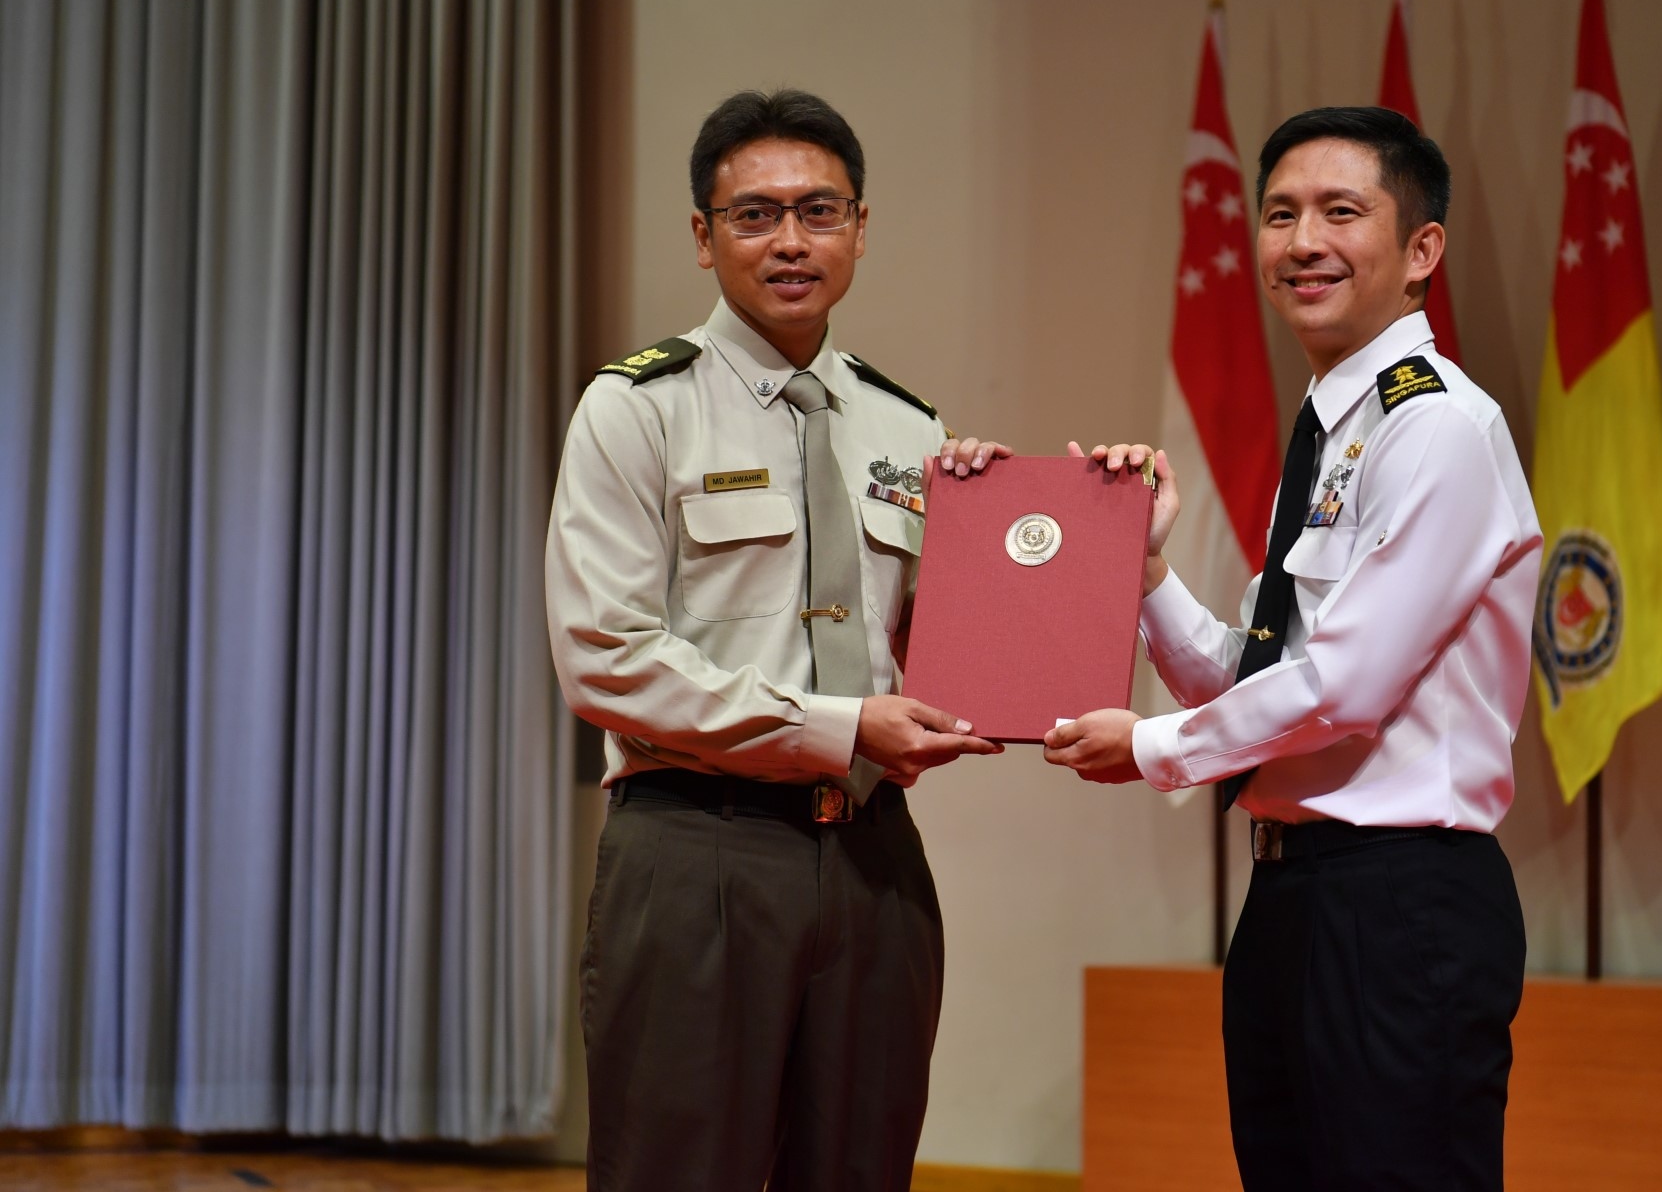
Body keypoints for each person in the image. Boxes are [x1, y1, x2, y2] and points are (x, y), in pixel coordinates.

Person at [1045, 106, 1543, 1190]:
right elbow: (1266, 677)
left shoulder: (1436, 426)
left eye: (1339, 212)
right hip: (1293, 902)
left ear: (1422, 250)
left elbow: (1345, 689)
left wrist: (1153, 747)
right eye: (1279, 215)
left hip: (1398, 905)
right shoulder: (1336, 426)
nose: (1303, 240)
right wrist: (1142, 569)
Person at [546, 88, 1009, 1192]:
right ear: (703, 237)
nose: (791, 240)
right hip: (696, 848)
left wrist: (1045, 533)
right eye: (754, 215)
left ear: (860, 227)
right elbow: (606, 657)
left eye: (819, 210)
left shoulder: (910, 426)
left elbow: (951, 656)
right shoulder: (638, 407)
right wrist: (836, 726)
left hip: (874, 860)